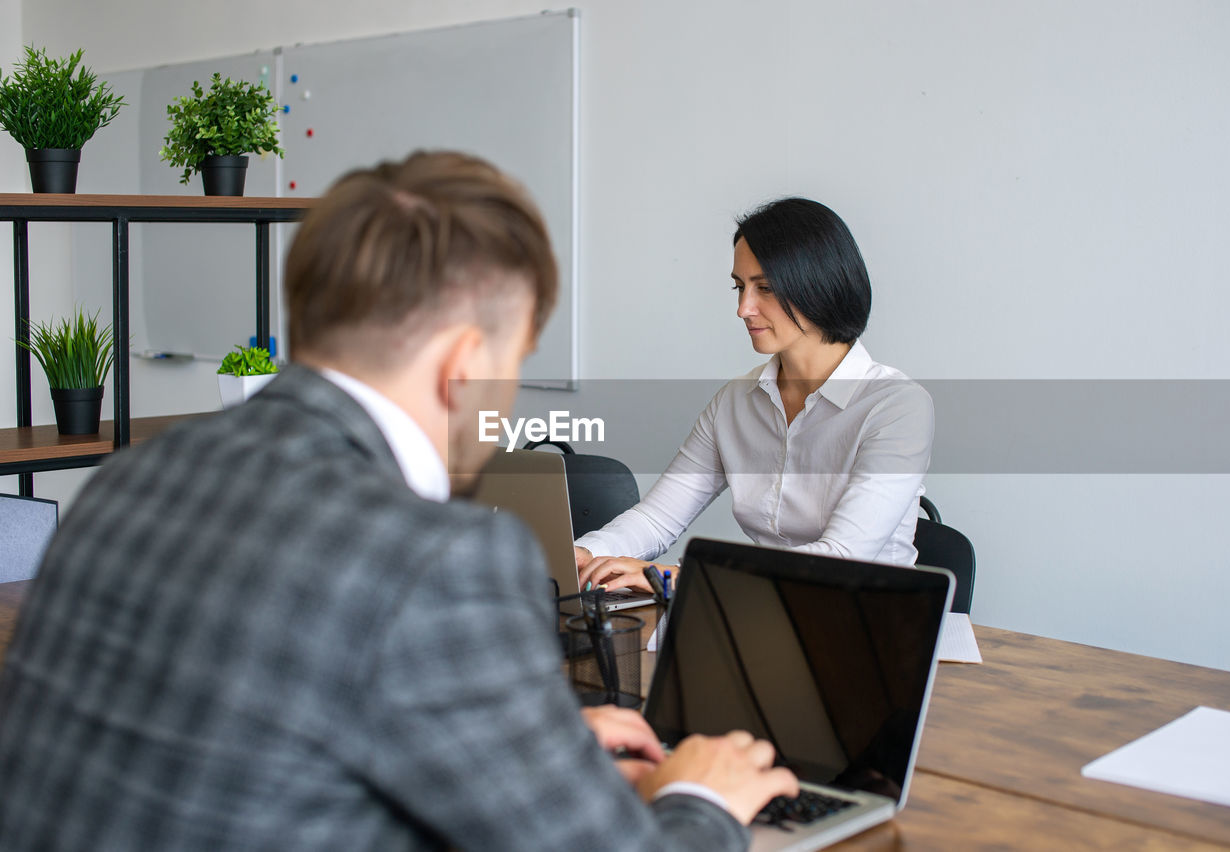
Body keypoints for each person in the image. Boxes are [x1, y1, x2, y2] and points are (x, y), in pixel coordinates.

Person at [0, 152, 796, 851]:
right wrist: (702, 799)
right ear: (462, 364)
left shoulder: (131, 480)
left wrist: (517, 756)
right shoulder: (440, 558)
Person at [577, 197, 933, 594]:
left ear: (818, 285)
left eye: (764, 288)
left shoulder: (896, 405)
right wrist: (583, 552)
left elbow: (842, 558)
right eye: (739, 286)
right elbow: (657, 519)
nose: (743, 308)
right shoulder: (735, 402)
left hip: (866, 619)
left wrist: (678, 578)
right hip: (761, 612)